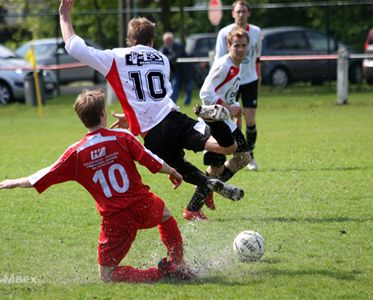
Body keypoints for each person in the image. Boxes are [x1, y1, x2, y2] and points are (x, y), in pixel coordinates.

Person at [58, 0, 244, 217]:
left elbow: (74, 46)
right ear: (153, 40)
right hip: (172, 118)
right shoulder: (162, 59)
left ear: (130, 39)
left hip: (152, 135)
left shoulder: (116, 57)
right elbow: (153, 96)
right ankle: (213, 121)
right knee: (227, 148)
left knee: (178, 167)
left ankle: (206, 183)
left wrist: (64, 16)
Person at [0, 89, 194, 283]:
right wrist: (173, 172)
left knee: (107, 276)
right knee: (165, 215)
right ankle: (178, 264)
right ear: (103, 114)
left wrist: (16, 182)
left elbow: (48, 173)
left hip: (115, 219)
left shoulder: (77, 152)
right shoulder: (123, 137)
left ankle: (158, 274)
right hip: (141, 204)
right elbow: (151, 160)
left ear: (82, 119)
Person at [184, 27, 252, 220]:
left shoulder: (238, 65)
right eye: (236, 45)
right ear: (228, 46)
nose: (240, 49)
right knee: (235, 160)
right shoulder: (223, 64)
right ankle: (193, 207)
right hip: (215, 122)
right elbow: (205, 93)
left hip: (225, 120)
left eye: (243, 45)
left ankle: (206, 193)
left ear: (248, 46)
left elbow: (227, 93)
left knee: (231, 162)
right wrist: (227, 109)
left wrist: (236, 108)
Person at [215, 0, 262, 171]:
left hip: (250, 80)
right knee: (229, 120)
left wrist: (259, 78)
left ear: (249, 13)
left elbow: (257, 58)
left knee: (250, 120)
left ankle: (250, 156)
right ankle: (225, 155)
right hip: (230, 82)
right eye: (238, 11)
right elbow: (219, 60)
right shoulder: (224, 33)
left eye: (244, 11)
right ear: (233, 13)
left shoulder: (256, 32)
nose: (241, 14)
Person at [160, 32, 194, 106]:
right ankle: (173, 103)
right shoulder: (164, 48)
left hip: (186, 70)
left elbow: (176, 56)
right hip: (176, 71)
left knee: (188, 87)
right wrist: (168, 59)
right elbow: (161, 56)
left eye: (169, 40)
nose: (167, 42)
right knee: (175, 86)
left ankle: (187, 103)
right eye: (166, 40)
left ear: (172, 40)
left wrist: (167, 59)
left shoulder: (179, 46)